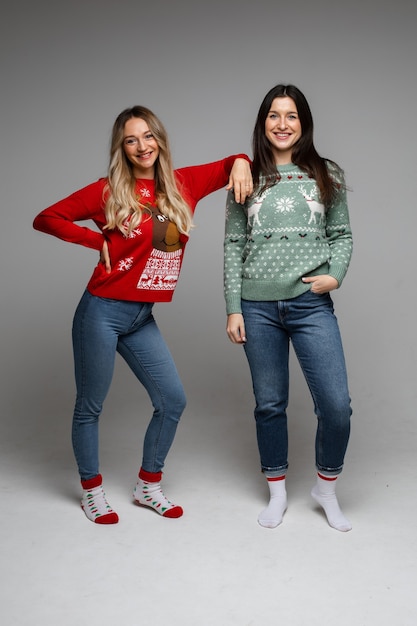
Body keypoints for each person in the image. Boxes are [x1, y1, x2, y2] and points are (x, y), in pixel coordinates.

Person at [33, 105, 253, 525]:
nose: (141, 146)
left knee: (172, 400)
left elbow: (229, 164)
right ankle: (91, 491)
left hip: (141, 318)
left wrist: (240, 162)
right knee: (90, 406)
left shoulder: (183, 183)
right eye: (131, 139)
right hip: (101, 311)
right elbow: (46, 217)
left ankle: (147, 485)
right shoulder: (108, 191)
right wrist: (91, 240)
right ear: (122, 147)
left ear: (160, 139)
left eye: (148, 136)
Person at [224, 84, 353, 532]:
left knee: (336, 406)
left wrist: (335, 275)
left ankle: (326, 489)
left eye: (292, 115)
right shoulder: (247, 175)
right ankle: (277, 491)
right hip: (256, 308)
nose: (283, 124)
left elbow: (342, 236)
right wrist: (233, 307)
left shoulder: (325, 172)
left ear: (304, 123)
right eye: (274, 116)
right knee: (270, 404)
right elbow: (232, 245)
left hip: (310, 305)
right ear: (263, 123)